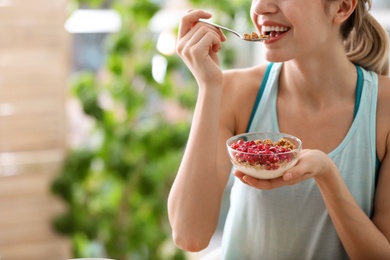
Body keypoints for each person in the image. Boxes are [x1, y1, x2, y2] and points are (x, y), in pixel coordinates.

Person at [167, 0, 390, 258]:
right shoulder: (231, 91)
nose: (260, 7)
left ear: (341, 7)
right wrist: (208, 87)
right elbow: (189, 235)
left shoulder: (384, 108)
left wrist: (327, 175)